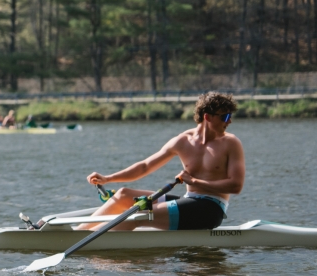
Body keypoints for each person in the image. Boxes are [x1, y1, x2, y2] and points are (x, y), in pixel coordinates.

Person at [82, 91, 245, 231]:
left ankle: (85, 242)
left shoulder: (231, 143)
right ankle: (76, 234)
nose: (229, 121)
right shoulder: (183, 141)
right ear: (207, 117)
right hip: (189, 201)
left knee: (138, 212)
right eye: (225, 116)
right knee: (124, 194)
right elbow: (145, 166)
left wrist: (195, 181)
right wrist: (108, 178)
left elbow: (236, 186)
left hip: (211, 209)